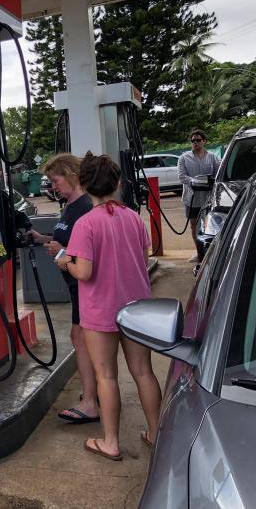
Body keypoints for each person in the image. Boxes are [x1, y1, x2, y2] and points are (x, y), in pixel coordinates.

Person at [55, 153, 161, 461]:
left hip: (100, 311)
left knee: (106, 376)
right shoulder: (132, 217)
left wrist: (66, 263)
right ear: (117, 183)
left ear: (85, 185)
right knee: (143, 372)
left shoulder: (86, 224)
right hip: (137, 310)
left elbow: (84, 272)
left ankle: (110, 442)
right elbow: (142, 261)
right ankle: (155, 433)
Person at [29, 153, 98, 424]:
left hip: (84, 286)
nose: (52, 186)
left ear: (71, 174)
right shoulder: (70, 205)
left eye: (55, 180)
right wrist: (42, 238)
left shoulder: (85, 207)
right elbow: (66, 239)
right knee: (82, 338)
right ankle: (94, 393)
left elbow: (87, 254)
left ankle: (91, 402)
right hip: (74, 287)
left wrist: (61, 253)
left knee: (81, 338)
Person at [177, 129, 221, 262]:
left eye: (198, 140)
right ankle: (199, 253)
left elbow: (219, 173)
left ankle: (212, 253)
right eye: (193, 141)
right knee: (194, 225)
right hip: (192, 198)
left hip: (209, 199)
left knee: (211, 224)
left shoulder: (212, 157)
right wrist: (194, 181)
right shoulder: (184, 158)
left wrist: (210, 181)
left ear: (204, 141)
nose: (195, 143)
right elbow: (182, 176)